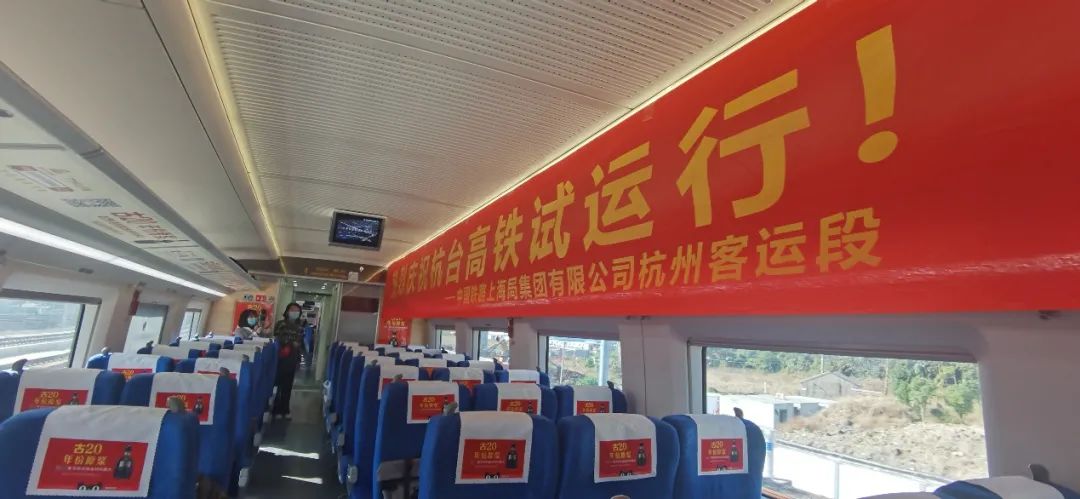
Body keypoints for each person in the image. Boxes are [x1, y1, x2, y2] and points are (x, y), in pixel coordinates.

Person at [271, 303, 303, 419]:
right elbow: (277, 337)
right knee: (278, 383)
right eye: (292, 309)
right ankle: (276, 409)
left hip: (292, 358)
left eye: (297, 310)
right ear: (287, 311)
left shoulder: (299, 327)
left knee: (288, 385)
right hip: (281, 357)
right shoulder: (281, 324)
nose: (295, 312)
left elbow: (299, 342)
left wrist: (298, 360)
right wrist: (289, 342)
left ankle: (285, 409)